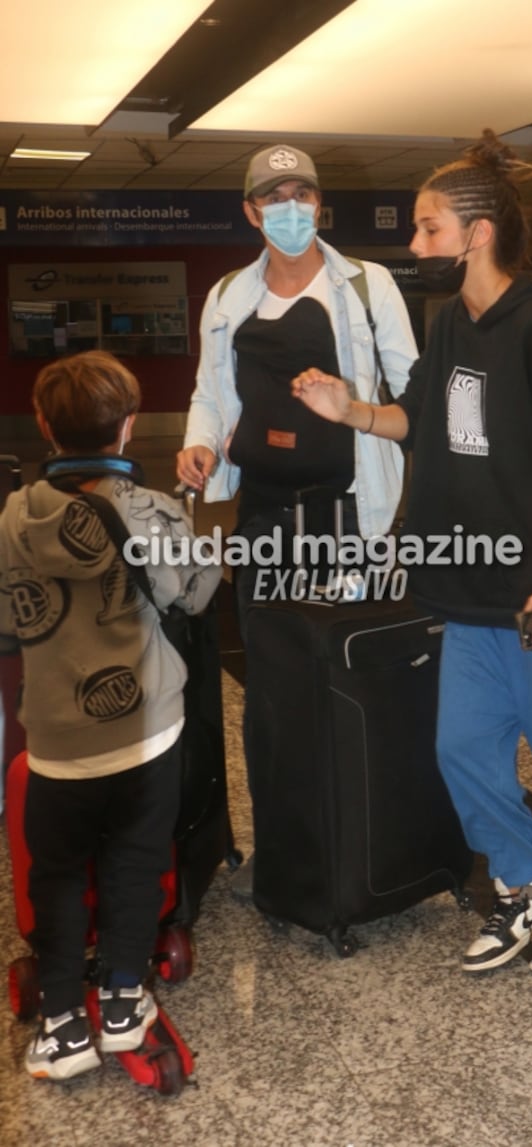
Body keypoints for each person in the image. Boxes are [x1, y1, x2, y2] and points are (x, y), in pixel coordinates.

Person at [291, 129, 532, 978]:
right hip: (475, 595)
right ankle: (523, 880)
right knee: (461, 752)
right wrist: (349, 410)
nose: (415, 245)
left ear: (477, 234)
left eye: (428, 228)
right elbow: (419, 420)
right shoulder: (451, 326)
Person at [176, 143, 418, 897]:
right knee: (274, 687)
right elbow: (213, 394)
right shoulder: (227, 296)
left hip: (351, 514)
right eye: (274, 197)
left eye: (303, 194)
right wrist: (198, 443)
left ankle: (359, 844)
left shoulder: (369, 288)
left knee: (346, 677)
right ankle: (287, 849)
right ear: (251, 212)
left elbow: (414, 403)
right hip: (267, 517)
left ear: (320, 205)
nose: (290, 208)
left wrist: (353, 408)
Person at [0, 350, 221, 1081]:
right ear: (128, 427)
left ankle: (64, 1023)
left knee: (57, 874)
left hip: (58, 739)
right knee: (134, 861)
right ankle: (126, 1003)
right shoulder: (149, 510)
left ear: (43, 425)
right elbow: (191, 594)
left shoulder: (12, 519)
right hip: (145, 733)